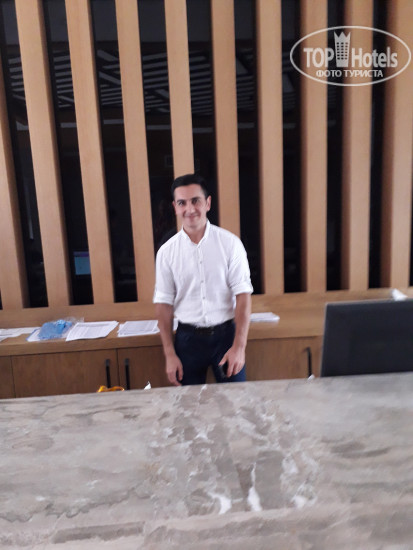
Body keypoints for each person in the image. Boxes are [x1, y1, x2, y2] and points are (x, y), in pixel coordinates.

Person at [153, 173, 253, 386]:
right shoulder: (167, 252)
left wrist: (239, 347)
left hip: (226, 337)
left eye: (195, 201)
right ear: (175, 207)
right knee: (188, 403)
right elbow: (163, 304)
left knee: (236, 401)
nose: (189, 209)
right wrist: (169, 354)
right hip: (187, 340)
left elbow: (243, 296)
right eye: (182, 203)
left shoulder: (230, 244)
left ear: (207, 203)